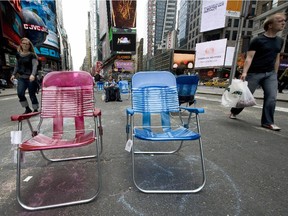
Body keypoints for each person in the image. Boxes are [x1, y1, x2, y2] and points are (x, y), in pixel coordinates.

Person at [229, 13, 286, 131]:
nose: (283, 23)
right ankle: (234, 111)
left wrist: (275, 74)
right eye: (280, 21)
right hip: (254, 73)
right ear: (270, 25)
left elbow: (277, 58)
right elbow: (249, 58)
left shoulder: (280, 41)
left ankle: (268, 122)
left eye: (284, 21)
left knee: (271, 97)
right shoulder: (258, 40)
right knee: (245, 97)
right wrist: (244, 73)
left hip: (270, 74)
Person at [10, 37, 39, 114]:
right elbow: (16, 66)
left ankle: (35, 109)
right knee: (20, 93)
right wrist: (13, 74)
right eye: (24, 43)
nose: (26, 45)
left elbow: (35, 66)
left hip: (31, 78)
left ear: (29, 46)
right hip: (21, 78)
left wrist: (33, 75)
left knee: (32, 94)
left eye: (27, 44)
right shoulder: (18, 55)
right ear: (21, 44)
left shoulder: (32, 55)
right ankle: (27, 108)